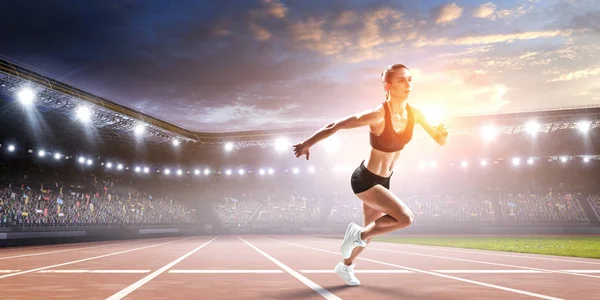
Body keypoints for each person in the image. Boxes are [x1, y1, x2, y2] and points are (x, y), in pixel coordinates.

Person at [292, 63, 448, 286]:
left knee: (372, 231)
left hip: (384, 181)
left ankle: (345, 266)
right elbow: (335, 125)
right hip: (365, 180)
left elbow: (440, 140)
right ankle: (358, 236)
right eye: (401, 80)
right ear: (388, 86)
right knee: (405, 218)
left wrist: (443, 134)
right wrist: (307, 144)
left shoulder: (417, 114)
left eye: (410, 79)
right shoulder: (377, 116)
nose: (408, 84)